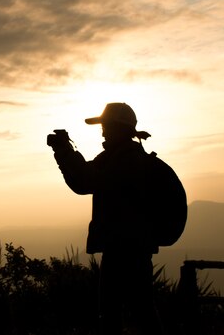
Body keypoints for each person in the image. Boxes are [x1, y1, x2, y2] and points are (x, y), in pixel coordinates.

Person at [47, 102, 164, 335]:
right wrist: (64, 153)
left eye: (106, 126)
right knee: (138, 312)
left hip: (125, 249)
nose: (102, 131)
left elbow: (87, 181)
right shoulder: (120, 156)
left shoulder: (126, 160)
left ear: (118, 128)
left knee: (120, 314)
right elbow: (82, 182)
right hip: (129, 247)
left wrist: (64, 152)